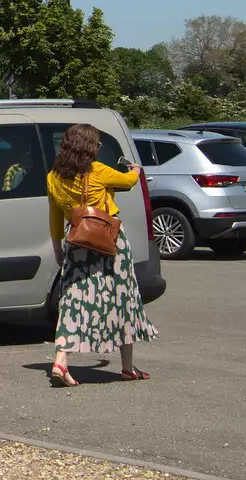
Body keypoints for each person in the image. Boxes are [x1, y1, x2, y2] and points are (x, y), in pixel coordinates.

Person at [46, 123, 158, 387]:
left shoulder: (53, 177)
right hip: (111, 243)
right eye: (96, 145)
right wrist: (136, 169)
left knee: (73, 301)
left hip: (76, 245)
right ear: (88, 148)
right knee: (122, 298)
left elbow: (53, 218)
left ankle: (61, 360)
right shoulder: (97, 171)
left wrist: (58, 251)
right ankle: (128, 367)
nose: (98, 149)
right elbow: (129, 182)